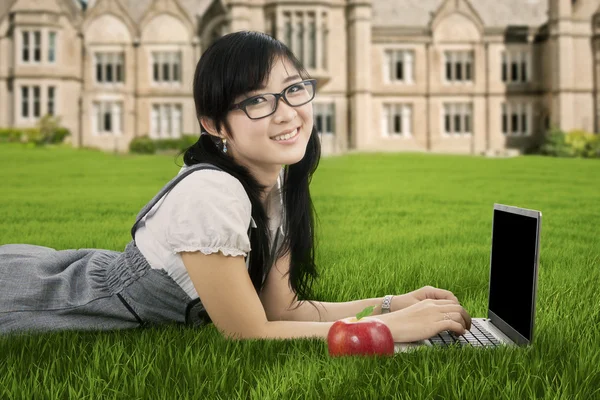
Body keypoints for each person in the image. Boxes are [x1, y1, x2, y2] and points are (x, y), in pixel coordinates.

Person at [0, 31, 471, 341]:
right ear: (214, 124)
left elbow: (282, 313)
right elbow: (249, 332)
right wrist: (394, 327)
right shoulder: (213, 194)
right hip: (57, 300)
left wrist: (391, 303)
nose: (287, 112)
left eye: (293, 90)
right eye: (256, 101)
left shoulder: (276, 187)